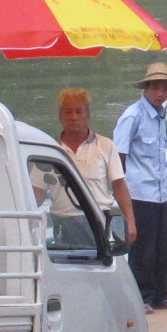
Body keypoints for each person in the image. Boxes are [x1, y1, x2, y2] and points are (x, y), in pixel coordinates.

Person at [113, 62, 167, 311]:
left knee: (162, 249)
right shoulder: (133, 116)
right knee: (142, 250)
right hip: (139, 193)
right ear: (146, 88)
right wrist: (121, 192)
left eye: (165, 89)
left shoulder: (160, 116)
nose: (160, 94)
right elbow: (118, 156)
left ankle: (160, 294)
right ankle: (141, 297)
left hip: (159, 193)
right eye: (156, 88)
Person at [56, 88, 134, 232]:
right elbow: (37, 192)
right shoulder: (51, 149)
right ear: (60, 116)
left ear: (88, 115)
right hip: (63, 222)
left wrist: (130, 220)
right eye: (68, 112)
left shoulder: (106, 145)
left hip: (99, 219)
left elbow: (118, 185)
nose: (74, 117)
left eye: (79, 111)